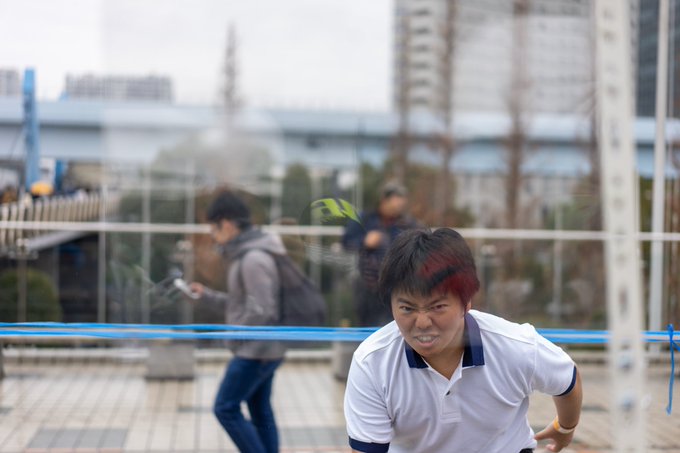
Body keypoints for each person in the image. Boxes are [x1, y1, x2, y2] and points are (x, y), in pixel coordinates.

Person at [344, 228, 582, 453]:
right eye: (407, 308)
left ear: (466, 301)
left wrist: (565, 427)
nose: (422, 322)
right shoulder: (372, 363)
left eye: (437, 306)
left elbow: (568, 381)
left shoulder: (517, 346)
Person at [189, 191, 287, 453]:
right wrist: (206, 296)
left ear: (228, 223)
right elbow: (243, 303)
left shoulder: (253, 258)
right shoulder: (248, 253)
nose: (212, 234)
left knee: (225, 407)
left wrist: (235, 336)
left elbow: (262, 309)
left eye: (214, 227)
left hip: (255, 351)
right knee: (260, 410)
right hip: (266, 348)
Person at [341, 181, 419, 327]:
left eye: (401, 205)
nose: (398, 208)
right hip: (367, 285)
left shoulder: (407, 224)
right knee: (366, 328)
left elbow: (419, 247)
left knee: (395, 327)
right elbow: (346, 242)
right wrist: (364, 242)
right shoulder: (364, 219)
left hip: (396, 285)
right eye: (395, 204)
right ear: (384, 200)